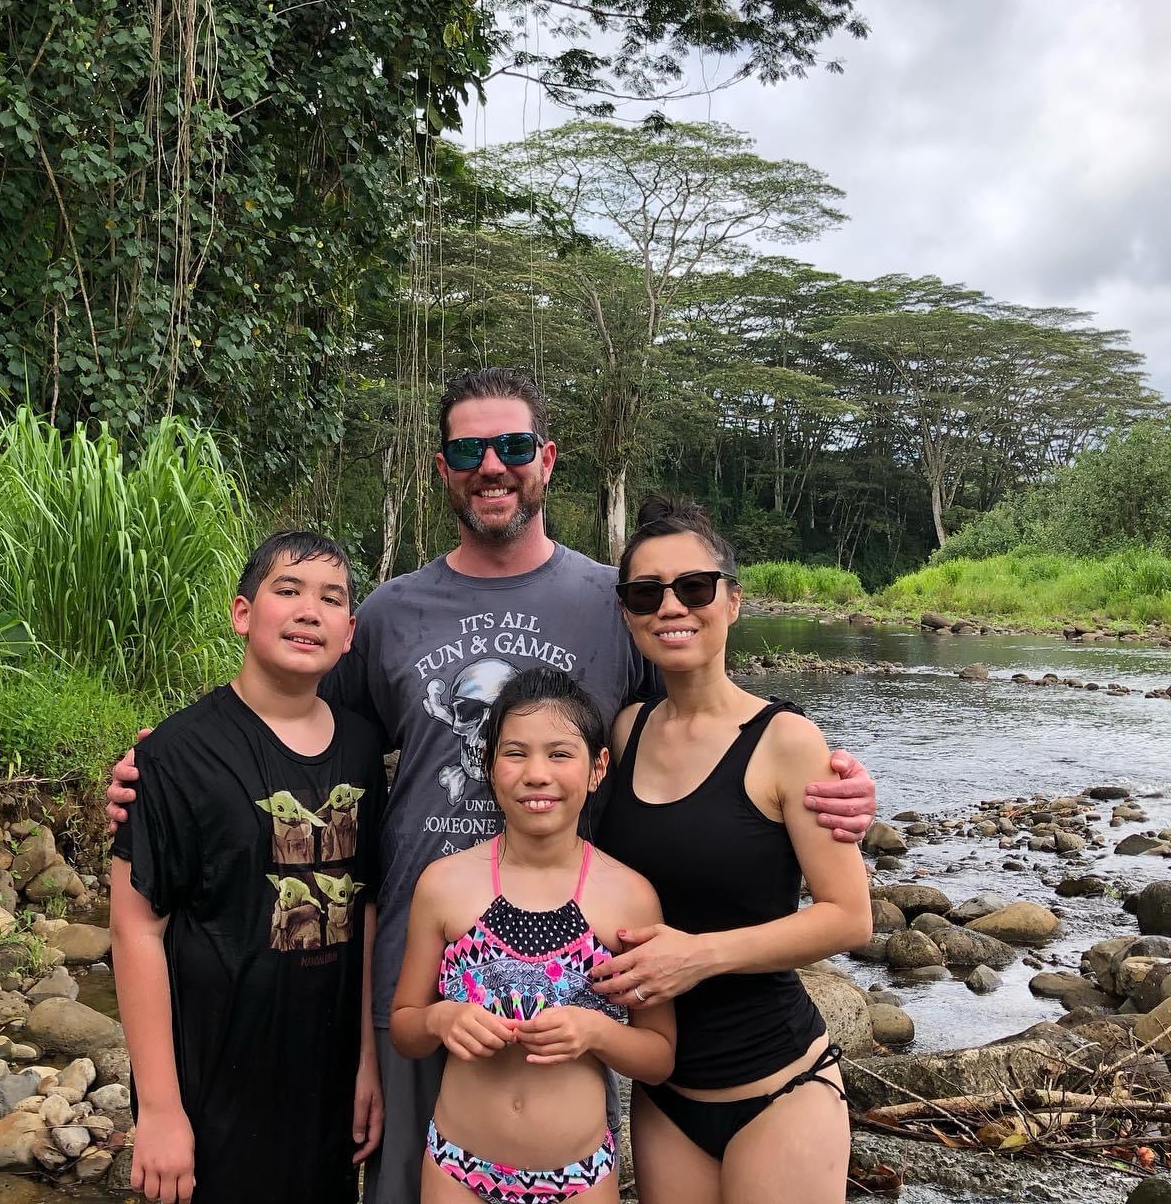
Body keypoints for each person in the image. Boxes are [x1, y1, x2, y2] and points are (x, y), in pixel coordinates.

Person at [106, 366, 879, 1202]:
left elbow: (700, 728)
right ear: (443, 468)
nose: (492, 466)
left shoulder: (612, 602)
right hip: (412, 954)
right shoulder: (393, 612)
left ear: (545, 458)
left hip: (569, 979)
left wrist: (830, 776)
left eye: (512, 446)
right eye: (468, 449)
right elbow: (290, 726)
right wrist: (166, 762)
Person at [590, 498, 874, 1204]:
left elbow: (848, 918)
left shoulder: (786, 741)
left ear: (734, 601)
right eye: (645, 593)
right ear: (627, 612)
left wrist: (697, 955)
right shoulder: (625, 732)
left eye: (694, 587)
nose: (671, 607)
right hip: (666, 1096)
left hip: (777, 1085)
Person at [109, 531, 387, 1204]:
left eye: (331, 599)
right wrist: (161, 1111)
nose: (308, 611)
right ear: (242, 613)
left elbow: (368, 904)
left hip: (325, 1084)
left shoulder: (360, 747)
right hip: (215, 1088)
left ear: (349, 633)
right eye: (286, 590)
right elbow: (134, 929)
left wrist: (369, 1064)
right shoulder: (177, 752)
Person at [391, 668, 675, 1202]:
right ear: (488, 765)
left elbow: (658, 1057)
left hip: (579, 1176)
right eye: (515, 753)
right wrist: (441, 1017)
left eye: (561, 754)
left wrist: (595, 1032)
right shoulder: (444, 884)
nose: (536, 774)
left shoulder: (630, 897)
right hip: (457, 1168)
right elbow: (405, 1028)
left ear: (597, 769)